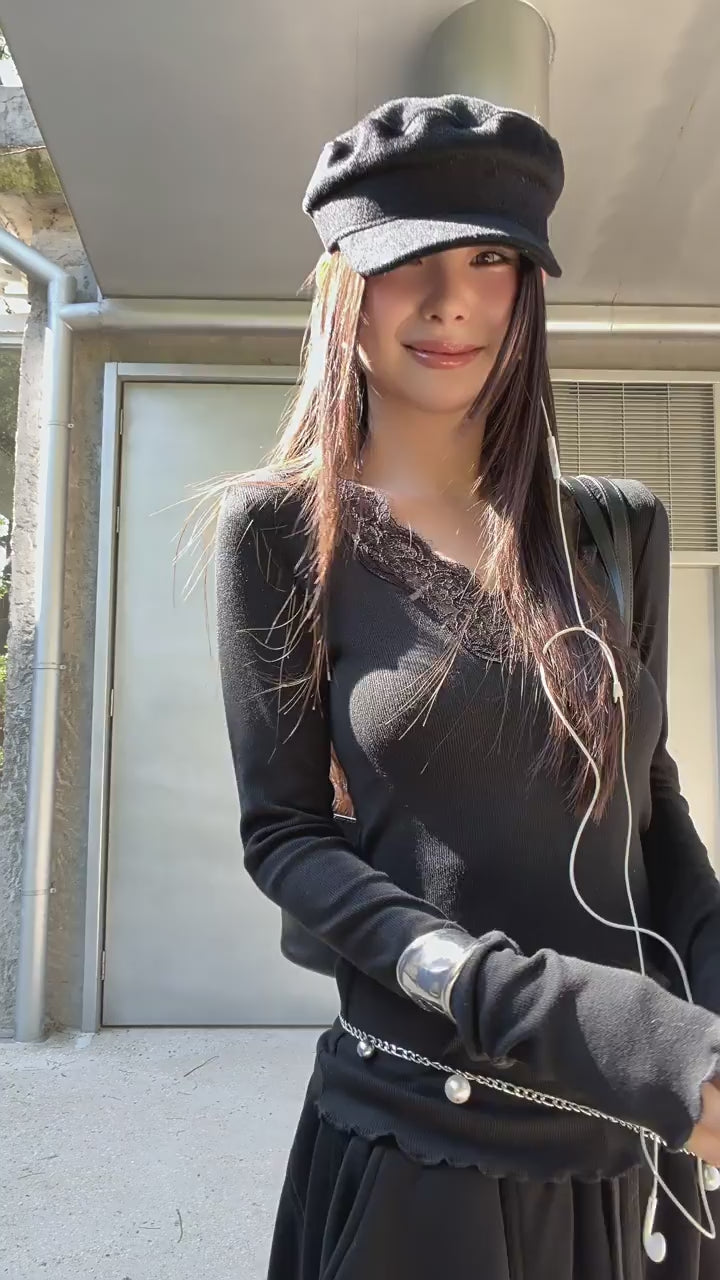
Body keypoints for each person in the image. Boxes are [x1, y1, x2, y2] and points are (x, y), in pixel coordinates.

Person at [211, 95, 720, 1278]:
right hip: (423, 1141)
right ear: (345, 287)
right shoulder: (281, 533)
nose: (452, 301)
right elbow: (286, 836)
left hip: (633, 1151)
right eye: (411, 261)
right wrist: (524, 1001)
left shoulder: (614, 532)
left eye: (493, 260)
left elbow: (648, 806)